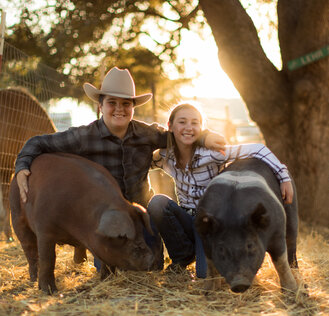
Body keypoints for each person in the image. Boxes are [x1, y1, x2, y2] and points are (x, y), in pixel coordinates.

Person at [14, 67, 225, 270]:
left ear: (133, 107)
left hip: (141, 217)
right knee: (108, 271)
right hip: (105, 221)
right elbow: (39, 143)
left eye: (126, 104)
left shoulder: (146, 134)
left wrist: (206, 136)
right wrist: (22, 166)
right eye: (112, 103)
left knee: (151, 266)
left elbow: (181, 135)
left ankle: (182, 255)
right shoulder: (84, 137)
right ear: (100, 106)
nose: (119, 109)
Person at [147, 102, 294, 277]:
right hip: (186, 218)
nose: (188, 127)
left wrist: (283, 176)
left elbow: (257, 149)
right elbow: (142, 164)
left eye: (195, 123)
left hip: (211, 223)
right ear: (170, 126)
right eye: (182, 122)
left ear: (201, 128)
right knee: (157, 203)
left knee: (204, 275)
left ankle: (205, 254)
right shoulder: (165, 157)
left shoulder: (212, 154)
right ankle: (182, 256)